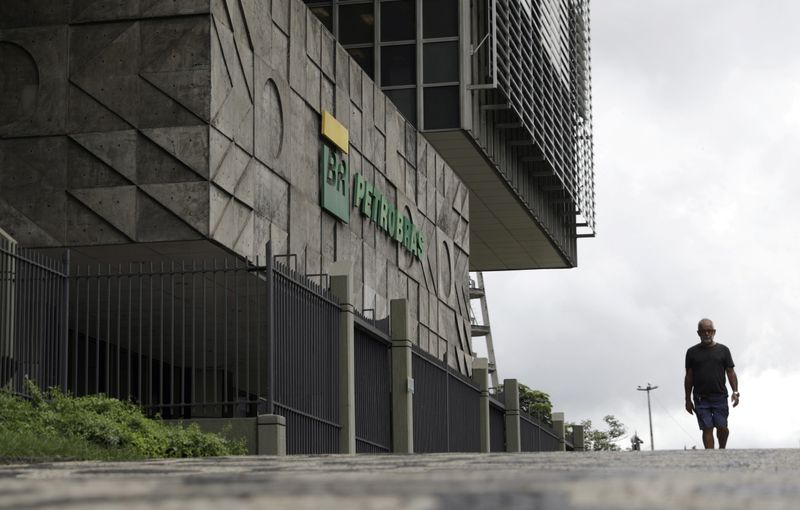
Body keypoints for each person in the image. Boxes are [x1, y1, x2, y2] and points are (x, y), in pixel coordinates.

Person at [684, 318, 739, 449]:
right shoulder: (691, 352)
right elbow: (689, 376)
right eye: (703, 331)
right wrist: (687, 399)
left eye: (709, 331)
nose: (707, 334)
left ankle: (722, 450)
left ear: (714, 332)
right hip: (700, 398)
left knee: (722, 427)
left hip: (719, 396)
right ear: (698, 333)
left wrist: (735, 392)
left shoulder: (723, 350)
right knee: (707, 428)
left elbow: (730, 372)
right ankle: (711, 456)